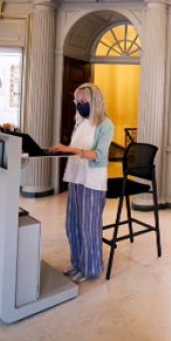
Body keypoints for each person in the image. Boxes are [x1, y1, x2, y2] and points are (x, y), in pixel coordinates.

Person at [49, 83, 114, 283]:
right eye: (77, 101)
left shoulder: (105, 125)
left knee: (89, 226)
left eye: (84, 101)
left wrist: (70, 150)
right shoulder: (79, 123)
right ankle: (78, 262)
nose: (80, 104)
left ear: (95, 102)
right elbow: (75, 149)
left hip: (93, 180)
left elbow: (100, 156)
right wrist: (63, 150)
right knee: (74, 224)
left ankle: (90, 267)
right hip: (76, 176)